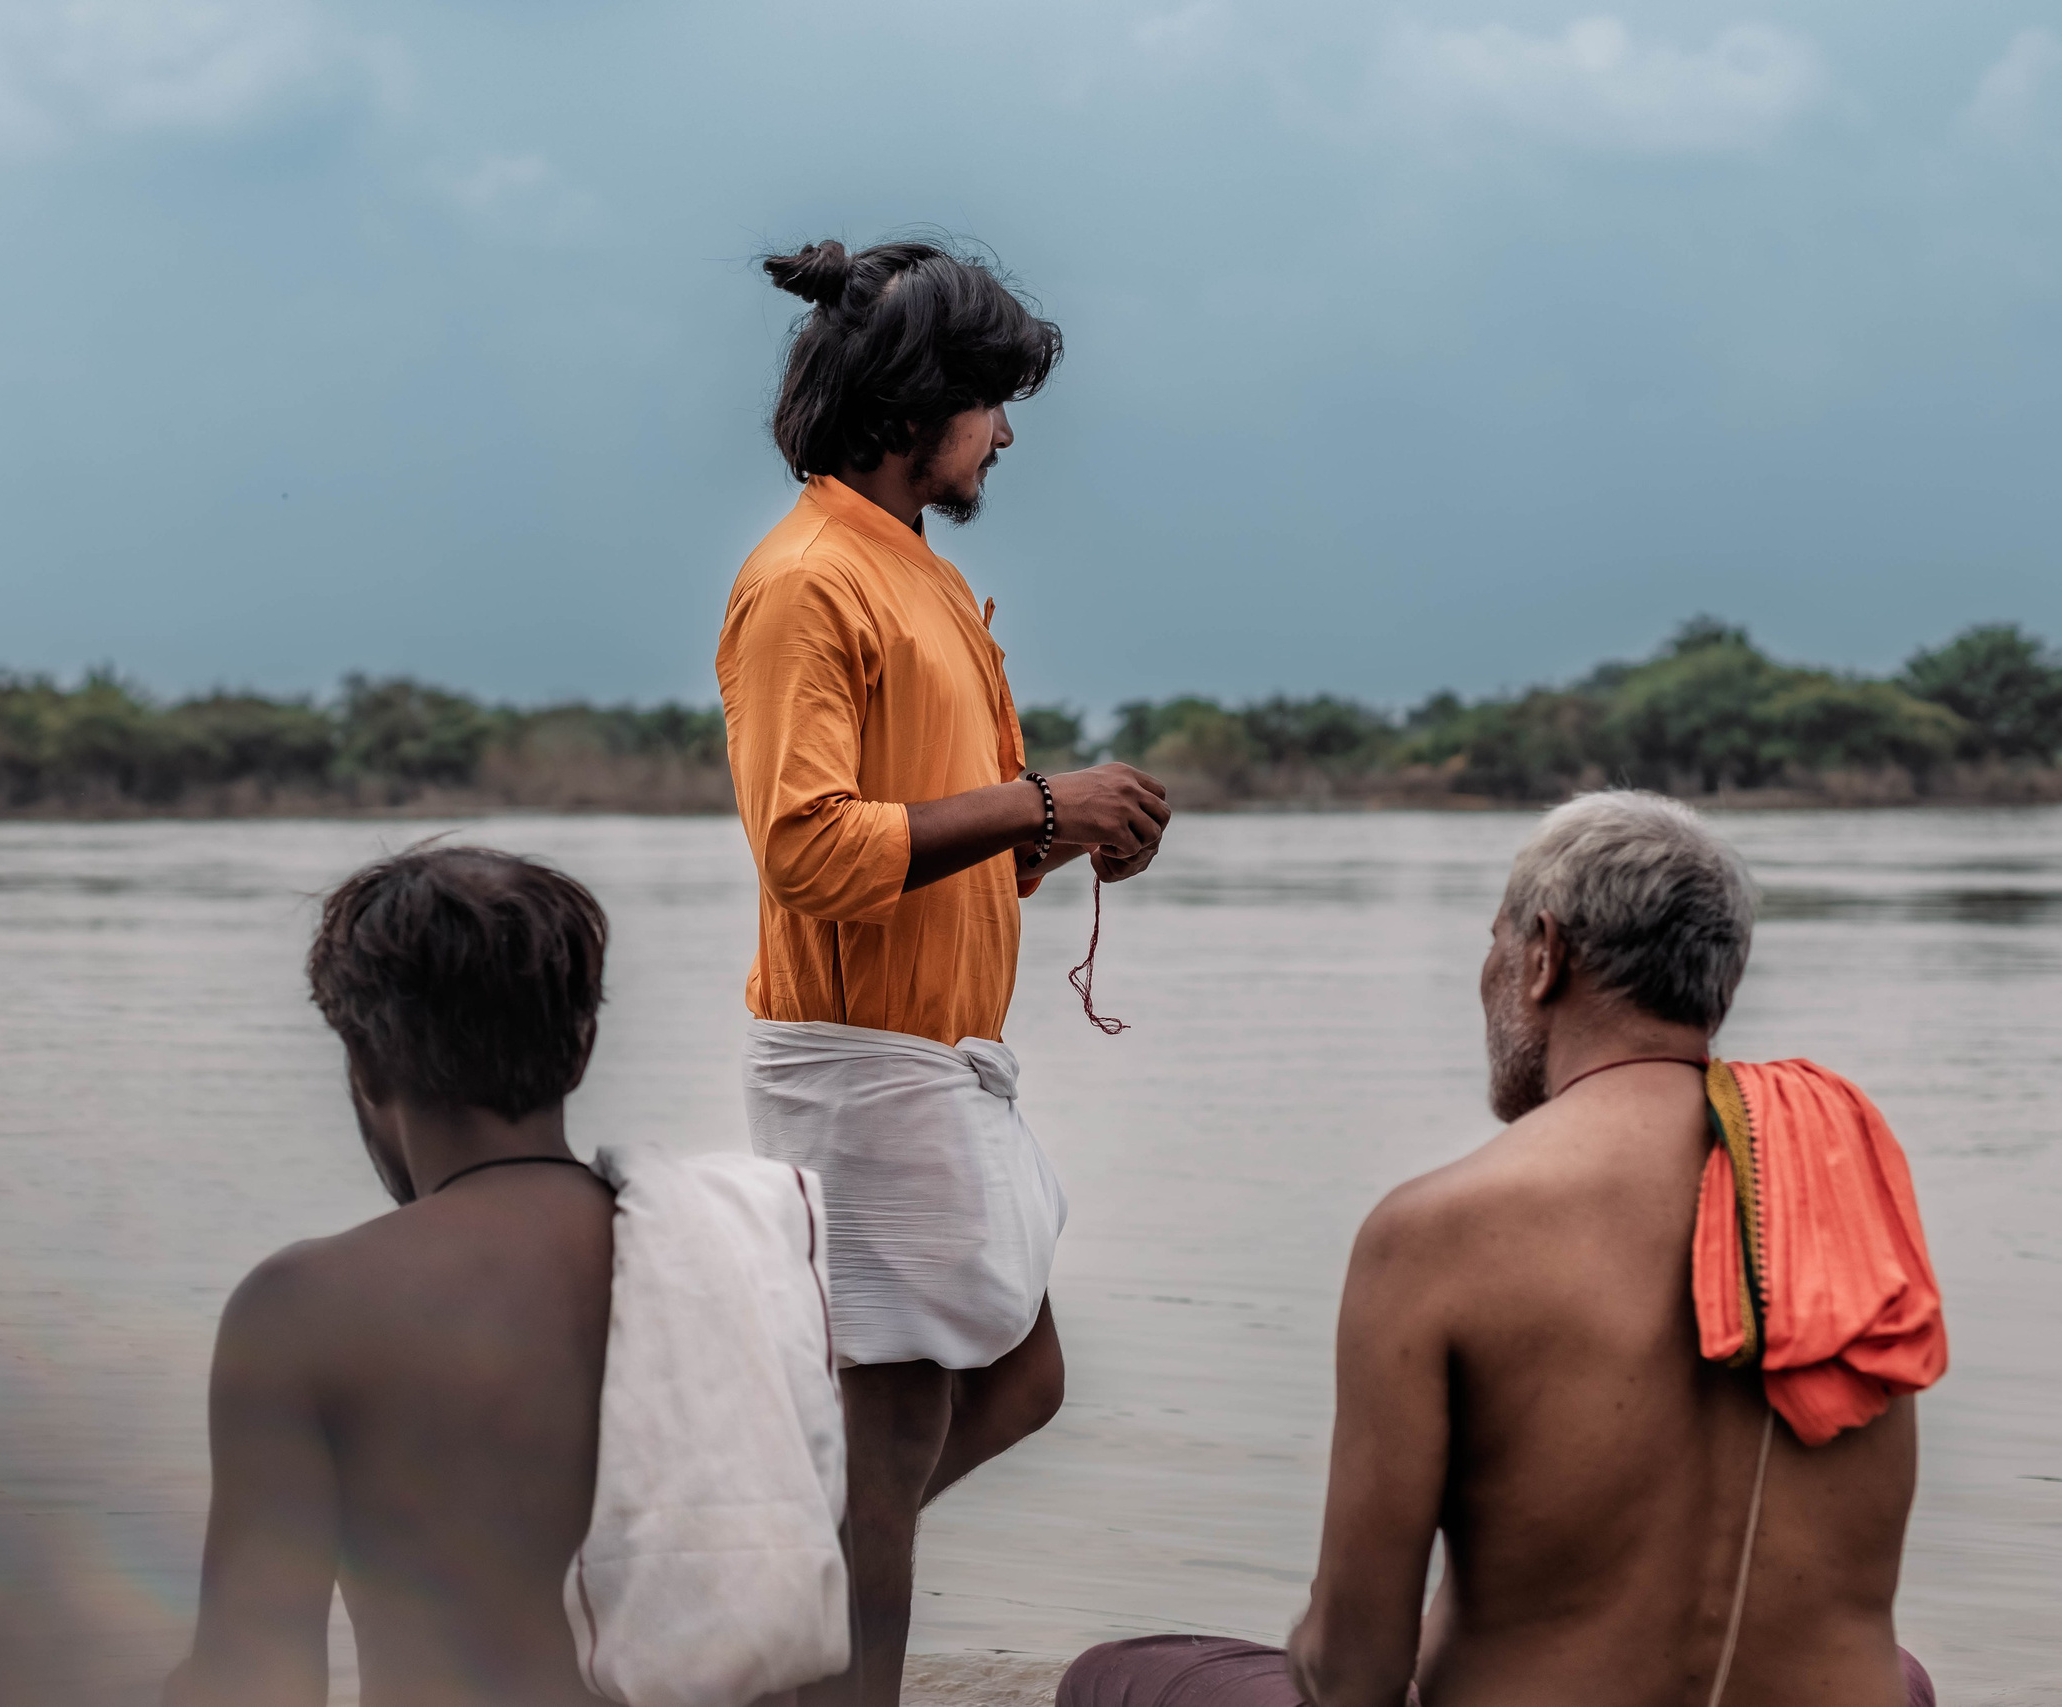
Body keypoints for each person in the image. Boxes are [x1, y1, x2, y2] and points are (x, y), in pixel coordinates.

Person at [1062, 791, 1949, 1707]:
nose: (1485, 971)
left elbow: (1351, 1675)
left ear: (1544, 954)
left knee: (1117, 1679)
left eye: (1493, 940)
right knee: (1902, 1677)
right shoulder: (1836, 1183)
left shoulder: (1439, 1229)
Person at [719, 234, 1172, 1707]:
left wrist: (1046, 837)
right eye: (990, 398)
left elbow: (921, 822)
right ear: (916, 406)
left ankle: (774, 1583)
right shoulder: (805, 581)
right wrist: (1045, 804)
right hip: (862, 1065)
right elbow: (809, 850)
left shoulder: (908, 572)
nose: (1007, 430)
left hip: (936, 1062)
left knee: (1011, 1383)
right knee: (894, 1437)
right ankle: (791, 1612)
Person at [164, 845, 622, 1707]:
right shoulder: (724, 1252)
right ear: (582, 1046)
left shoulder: (306, 1307)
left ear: (367, 1064)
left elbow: (257, 1674)